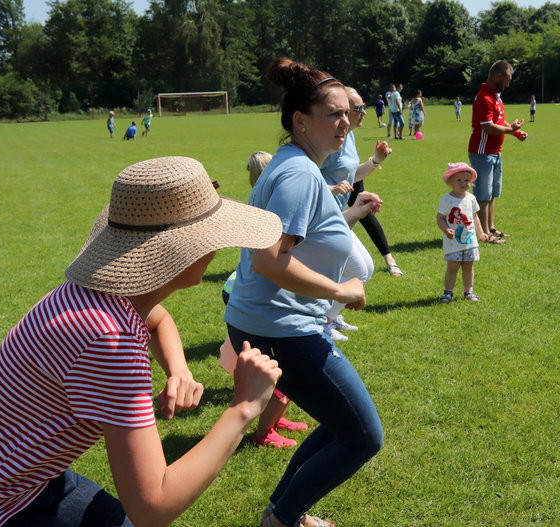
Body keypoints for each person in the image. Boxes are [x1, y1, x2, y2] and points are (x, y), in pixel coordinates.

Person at [0, 156, 286, 527]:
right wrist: (244, 407)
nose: (219, 247)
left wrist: (179, 370)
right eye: (212, 236)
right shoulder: (109, 339)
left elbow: (157, 321)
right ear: (185, 251)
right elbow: (153, 508)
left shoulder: (100, 292)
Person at [224, 57, 384, 527]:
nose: (346, 122)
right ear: (300, 120)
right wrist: (340, 289)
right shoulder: (297, 174)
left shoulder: (301, 167)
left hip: (274, 324)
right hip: (279, 331)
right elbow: (270, 259)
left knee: (343, 426)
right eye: (332, 113)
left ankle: (285, 512)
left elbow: (310, 237)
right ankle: (280, 520)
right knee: (362, 437)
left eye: (348, 113)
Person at [220, 150, 309, 449]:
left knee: (286, 373)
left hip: (257, 298)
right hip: (254, 302)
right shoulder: (268, 210)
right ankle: (264, 432)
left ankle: (274, 420)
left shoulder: (268, 203)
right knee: (283, 374)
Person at [320, 87, 392, 341]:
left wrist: (375, 161)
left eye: (364, 107)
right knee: (361, 270)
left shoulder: (347, 137)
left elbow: (351, 176)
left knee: (351, 269)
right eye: (358, 108)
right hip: (323, 217)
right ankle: (324, 323)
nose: (364, 112)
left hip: (341, 214)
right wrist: (330, 187)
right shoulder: (328, 141)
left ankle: (329, 316)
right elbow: (305, 176)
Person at [467, 60, 528, 245]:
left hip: (495, 152)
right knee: (483, 196)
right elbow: (488, 128)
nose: (509, 84)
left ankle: (491, 227)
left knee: (492, 193)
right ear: (498, 76)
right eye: (508, 79)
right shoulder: (484, 97)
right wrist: (511, 130)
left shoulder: (496, 96)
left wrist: (515, 132)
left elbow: (500, 120)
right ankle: (485, 234)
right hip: (482, 153)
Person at [436, 162, 489, 303]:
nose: (463, 183)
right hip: (453, 242)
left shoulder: (471, 198)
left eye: (467, 180)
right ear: (450, 182)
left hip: (470, 241)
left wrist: (481, 233)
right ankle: (448, 293)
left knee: (468, 267)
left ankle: (468, 291)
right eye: (459, 180)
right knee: (452, 267)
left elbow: (475, 217)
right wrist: (446, 229)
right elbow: (440, 218)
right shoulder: (446, 200)